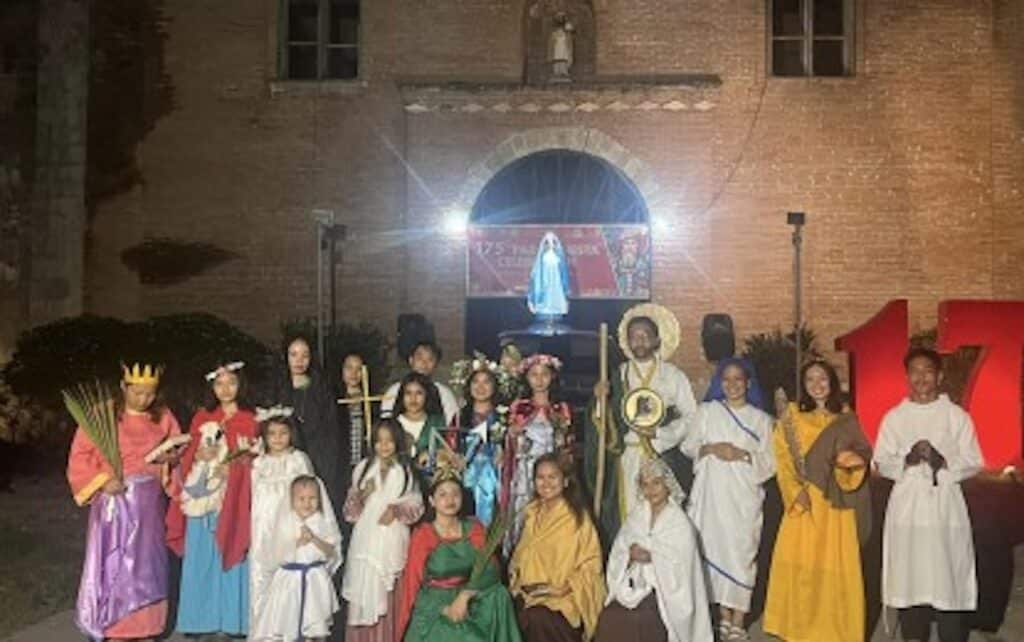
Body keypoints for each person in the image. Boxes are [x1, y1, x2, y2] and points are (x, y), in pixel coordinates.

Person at [67, 362, 183, 640]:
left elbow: (177, 448)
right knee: (116, 563)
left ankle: (147, 627)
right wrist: (103, 480)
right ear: (124, 387)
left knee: (148, 565)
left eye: (149, 394)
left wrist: (170, 460)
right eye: (138, 393)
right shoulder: (102, 416)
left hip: (148, 504)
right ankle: (115, 626)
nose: (144, 399)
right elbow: (79, 458)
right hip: (113, 502)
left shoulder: (162, 416)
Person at [874, 348, 984, 642]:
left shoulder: (955, 416)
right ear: (907, 376)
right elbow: (881, 461)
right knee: (913, 582)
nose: (921, 377)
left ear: (939, 376)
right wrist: (907, 460)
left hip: (944, 509)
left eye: (927, 371)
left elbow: (974, 460)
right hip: (908, 510)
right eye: (915, 371)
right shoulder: (895, 418)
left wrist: (943, 462)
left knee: (946, 580)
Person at [763, 359, 873, 642]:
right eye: (810, 380)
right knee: (803, 567)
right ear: (803, 386)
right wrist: (793, 491)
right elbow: (783, 457)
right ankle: (799, 630)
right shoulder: (792, 416)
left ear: (832, 382)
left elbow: (858, 456)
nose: (817, 385)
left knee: (835, 566)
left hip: (836, 504)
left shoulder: (846, 416)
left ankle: (837, 631)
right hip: (804, 501)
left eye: (822, 378)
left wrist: (848, 464)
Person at [586, 304, 697, 544]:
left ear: (657, 339)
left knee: (662, 518)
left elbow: (691, 417)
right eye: (634, 336)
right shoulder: (619, 375)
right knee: (629, 518)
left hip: (661, 456)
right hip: (627, 459)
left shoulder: (673, 375)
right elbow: (603, 421)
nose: (640, 341)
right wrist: (599, 400)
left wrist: (661, 433)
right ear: (627, 341)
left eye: (645, 335)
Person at [681, 358, 775, 641]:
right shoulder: (708, 412)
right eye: (727, 379)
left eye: (739, 379)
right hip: (711, 495)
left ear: (748, 383)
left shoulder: (762, 419)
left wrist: (743, 455)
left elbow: (771, 462)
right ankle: (723, 616)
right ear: (719, 383)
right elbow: (688, 445)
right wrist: (710, 447)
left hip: (743, 498)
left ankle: (739, 617)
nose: (732, 385)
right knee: (713, 549)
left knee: (742, 553)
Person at [167, 361, 258, 637]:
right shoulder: (201, 417)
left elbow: (255, 455)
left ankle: (233, 620)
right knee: (201, 557)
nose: (226, 389)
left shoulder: (250, 419)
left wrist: (234, 466)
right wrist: (196, 455)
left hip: (232, 498)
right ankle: (199, 619)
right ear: (212, 387)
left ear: (241, 384)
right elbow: (188, 453)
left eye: (232, 382)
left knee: (231, 549)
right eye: (219, 384)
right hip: (202, 500)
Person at [397, 458, 521, 642]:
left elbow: (491, 569)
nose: (450, 500)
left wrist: (466, 595)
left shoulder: (474, 528)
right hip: (436, 603)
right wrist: (442, 609)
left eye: (455, 494)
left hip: (472, 597)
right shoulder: (424, 534)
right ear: (431, 500)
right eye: (443, 495)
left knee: (500, 594)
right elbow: (414, 584)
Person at [595, 458, 713, 642]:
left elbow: (683, 566)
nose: (651, 490)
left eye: (656, 483)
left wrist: (652, 558)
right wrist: (629, 555)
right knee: (610, 616)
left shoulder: (679, 523)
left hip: (664, 591)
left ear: (667, 485)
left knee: (640, 619)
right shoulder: (637, 515)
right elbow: (620, 549)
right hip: (635, 584)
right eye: (646, 484)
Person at [342, 419, 425, 642]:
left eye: (389, 441)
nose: (384, 446)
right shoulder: (363, 468)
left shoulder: (405, 470)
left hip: (391, 538)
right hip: (366, 538)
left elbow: (417, 505)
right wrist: (362, 495)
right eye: (379, 441)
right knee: (365, 586)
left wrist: (397, 510)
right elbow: (350, 513)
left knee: (388, 589)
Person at [510, 453, 605, 642]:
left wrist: (565, 588)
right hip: (528, 596)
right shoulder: (532, 513)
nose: (546, 483)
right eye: (540, 477)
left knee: (537, 618)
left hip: (563, 601)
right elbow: (520, 558)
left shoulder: (577, 519)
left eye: (552, 477)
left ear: (566, 481)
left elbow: (591, 567)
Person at [251, 475, 343, 641]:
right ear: (292, 500)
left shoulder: (322, 521)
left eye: (312, 499)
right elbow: (276, 554)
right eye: (301, 499)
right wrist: (298, 542)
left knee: (314, 623)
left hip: (315, 579)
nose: (307, 503)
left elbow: (331, 551)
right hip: (289, 581)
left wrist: (315, 539)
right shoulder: (285, 522)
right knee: (288, 620)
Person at [250, 407, 315, 625]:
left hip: (290, 528)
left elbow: (309, 494)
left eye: (283, 433)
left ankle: (291, 628)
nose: (277, 438)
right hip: (262, 530)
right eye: (272, 434)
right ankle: (264, 629)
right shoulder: (259, 463)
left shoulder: (298, 460)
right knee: (262, 575)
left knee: (289, 576)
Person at [502, 354, 573, 554]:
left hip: (552, 471)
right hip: (527, 470)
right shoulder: (520, 408)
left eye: (544, 374)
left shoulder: (561, 409)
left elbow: (568, 444)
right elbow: (510, 442)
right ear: (527, 378)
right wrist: (513, 436)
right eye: (534, 375)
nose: (539, 379)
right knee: (524, 512)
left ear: (552, 377)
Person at [275, 336, 341, 508]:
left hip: (319, 457)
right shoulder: (277, 389)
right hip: (285, 459)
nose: (299, 361)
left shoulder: (322, 389)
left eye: (305, 355)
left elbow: (332, 430)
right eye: (294, 355)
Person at [450, 354, 514, 525]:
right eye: (475, 382)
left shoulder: (505, 417)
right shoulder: (460, 417)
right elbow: (450, 447)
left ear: (495, 386)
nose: (481, 387)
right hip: (467, 479)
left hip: (497, 478)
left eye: (486, 382)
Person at [382, 341, 459, 424]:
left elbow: (452, 424)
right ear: (411, 360)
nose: (424, 363)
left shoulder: (444, 393)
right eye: (420, 358)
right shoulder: (395, 390)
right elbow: (386, 423)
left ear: (436, 364)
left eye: (430, 359)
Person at [393, 372, 449, 463]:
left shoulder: (438, 422)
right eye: (408, 393)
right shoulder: (393, 424)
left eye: (419, 393)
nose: (413, 398)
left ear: (427, 396)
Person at [338, 352, 368, 491]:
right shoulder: (335, 400)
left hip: (363, 460)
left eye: (359, 369)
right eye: (349, 367)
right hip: (341, 461)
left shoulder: (370, 399)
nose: (354, 373)